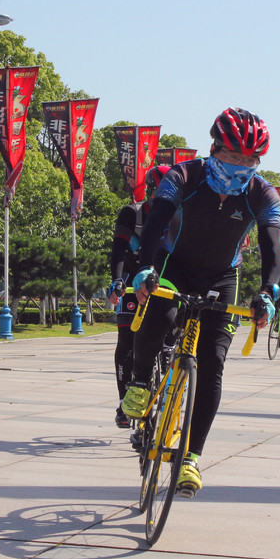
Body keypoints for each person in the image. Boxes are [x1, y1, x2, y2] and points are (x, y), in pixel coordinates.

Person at [121, 107, 280, 499]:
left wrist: (268, 291)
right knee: (160, 314)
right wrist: (144, 269)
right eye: (231, 157)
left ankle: (191, 458)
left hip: (222, 276)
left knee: (212, 362)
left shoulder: (263, 193)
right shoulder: (184, 175)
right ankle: (141, 380)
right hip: (173, 264)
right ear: (214, 148)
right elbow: (156, 223)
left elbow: (272, 247)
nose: (240, 166)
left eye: (249, 160)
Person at [108, 165, 170, 428]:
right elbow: (119, 250)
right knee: (126, 340)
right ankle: (124, 403)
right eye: (160, 194)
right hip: (134, 281)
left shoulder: (178, 216)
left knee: (169, 338)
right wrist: (117, 281)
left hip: (165, 280)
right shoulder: (131, 213)